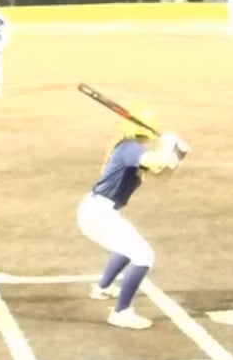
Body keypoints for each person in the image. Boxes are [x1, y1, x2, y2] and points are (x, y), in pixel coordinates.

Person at [79, 113, 187, 330]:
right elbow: (157, 161)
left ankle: (102, 288)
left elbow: (161, 176)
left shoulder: (134, 150)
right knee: (144, 256)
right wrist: (167, 147)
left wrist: (177, 156)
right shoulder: (130, 149)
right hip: (98, 213)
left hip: (99, 211)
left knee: (128, 248)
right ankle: (121, 313)